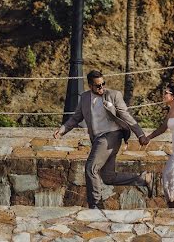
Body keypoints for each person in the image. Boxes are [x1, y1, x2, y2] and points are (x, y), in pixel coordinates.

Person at [53, 70, 152, 209]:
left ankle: (96, 206)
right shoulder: (85, 98)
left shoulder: (113, 95)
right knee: (107, 177)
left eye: (103, 84)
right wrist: (62, 130)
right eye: (98, 85)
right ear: (90, 86)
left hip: (112, 135)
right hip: (98, 139)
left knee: (90, 168)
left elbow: (125, 115)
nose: (101, 87)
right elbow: (76, 118)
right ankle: (143, 178)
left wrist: (140, 135)